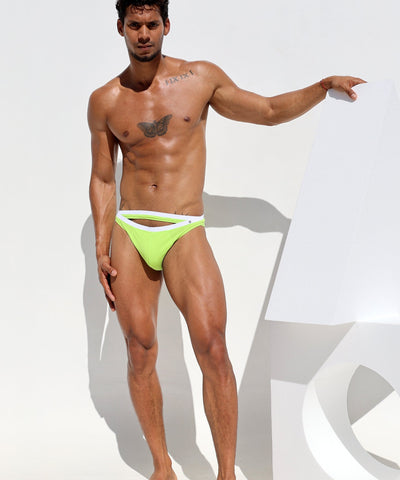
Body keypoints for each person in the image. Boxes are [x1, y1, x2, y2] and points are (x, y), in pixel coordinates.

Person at [87, 1, 365, 479]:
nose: (144, 33)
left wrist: (322, 88)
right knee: (139, 348)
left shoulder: (199, 78)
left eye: (152, 24)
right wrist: (100, 244)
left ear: (166, 25)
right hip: (131, 230)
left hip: (182, 227)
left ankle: (226, 473)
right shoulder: (105, 100)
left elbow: (268, 111)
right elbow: (102, 178)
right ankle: (161, 467)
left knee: (213, 346)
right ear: (121, 28)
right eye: (134, 25)